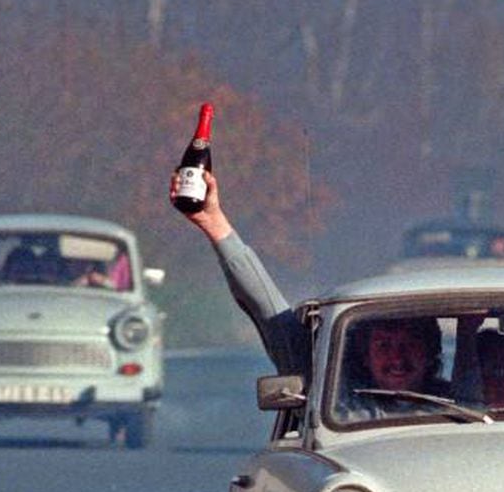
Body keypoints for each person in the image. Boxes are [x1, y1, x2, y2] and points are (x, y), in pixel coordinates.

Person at [171, 170, 448, 418]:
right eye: (384, 346)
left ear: (430, 351)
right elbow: (269, 311)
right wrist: (214, 222)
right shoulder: (336, 406)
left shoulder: (462, 412)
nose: (397, 358)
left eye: (409, 344)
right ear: (366, 356)